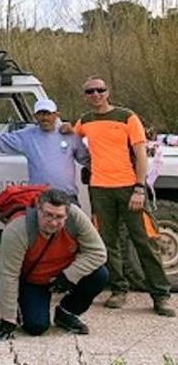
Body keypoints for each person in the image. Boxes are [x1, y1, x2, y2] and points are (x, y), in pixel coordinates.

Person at [73, 76, 174, 317]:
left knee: (145, 241)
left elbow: (141, 155)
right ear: (85, 96)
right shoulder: (85, 121)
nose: (95, 95)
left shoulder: (127, 117)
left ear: (108, 92)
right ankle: (119, 289)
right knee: (108, 242)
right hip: (100, 189)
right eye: (90, 91)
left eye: (100, 90)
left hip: (129, 187)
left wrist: (139, 188)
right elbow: (67, 132)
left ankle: (161, 295)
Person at [0, 189, 109, 339]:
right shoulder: (18, 228)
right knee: (36, 327)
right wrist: (8, 318)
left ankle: (67, 313)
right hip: (32, 279)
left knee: (100, 275)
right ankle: (22, 307)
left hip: (62, 275)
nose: (53, 222)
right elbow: (8, 274)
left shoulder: (76, 218)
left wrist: (69, 275)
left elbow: (98, 252)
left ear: (67, 215)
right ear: (38, 209)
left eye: (59, 217)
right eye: (48, 215)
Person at [0, 98, 88, 200]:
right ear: (35, 116)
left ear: (56, 115)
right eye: (40, 114)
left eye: (48, 113)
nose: (44, 118)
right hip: (39, 198)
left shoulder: (70, 134)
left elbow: (87, 159)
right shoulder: (27, 136)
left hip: (68, 197)